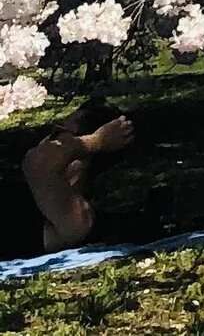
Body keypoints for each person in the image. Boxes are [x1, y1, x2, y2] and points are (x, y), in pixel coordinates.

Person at [21, 96, 134, 253]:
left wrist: (93, 142)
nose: (47, 140)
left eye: (58, 135)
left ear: (82, 160)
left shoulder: (77, 219)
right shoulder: (34, 186)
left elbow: (38, 162)